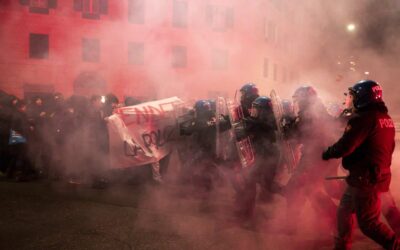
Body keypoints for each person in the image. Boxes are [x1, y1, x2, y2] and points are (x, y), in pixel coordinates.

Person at [322, 80, 399, 249]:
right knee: (344, 211)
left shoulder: (362, 118)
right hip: (370, 176)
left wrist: (327, 152)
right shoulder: (385, 118)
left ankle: (395, 245)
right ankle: (341, 246)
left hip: (366, 180)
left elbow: (345, 146)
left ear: (362, 97)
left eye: (351, 95)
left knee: (369, 223)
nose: (348, 99)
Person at [283, 86, 338, 234]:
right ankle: (331, 222)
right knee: (308, 189)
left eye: (298, 99)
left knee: (303, 189)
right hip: (321, 156)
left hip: (314, 157)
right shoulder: (318, 110)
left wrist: (287, 126)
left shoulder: (309, 113)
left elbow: (297, 135)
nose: (297, 103)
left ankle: (338, 221)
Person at [233, 96, 280, 221]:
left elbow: (245, 128)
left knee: (251, 181)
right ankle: (245, 212)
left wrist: (241, 123)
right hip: (265, 156)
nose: (253, 111)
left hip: (264, 156)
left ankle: (245, 214)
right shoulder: (268, 121)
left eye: (256, 109)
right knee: (260, 183)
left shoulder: (261, 122)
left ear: (263, 110)